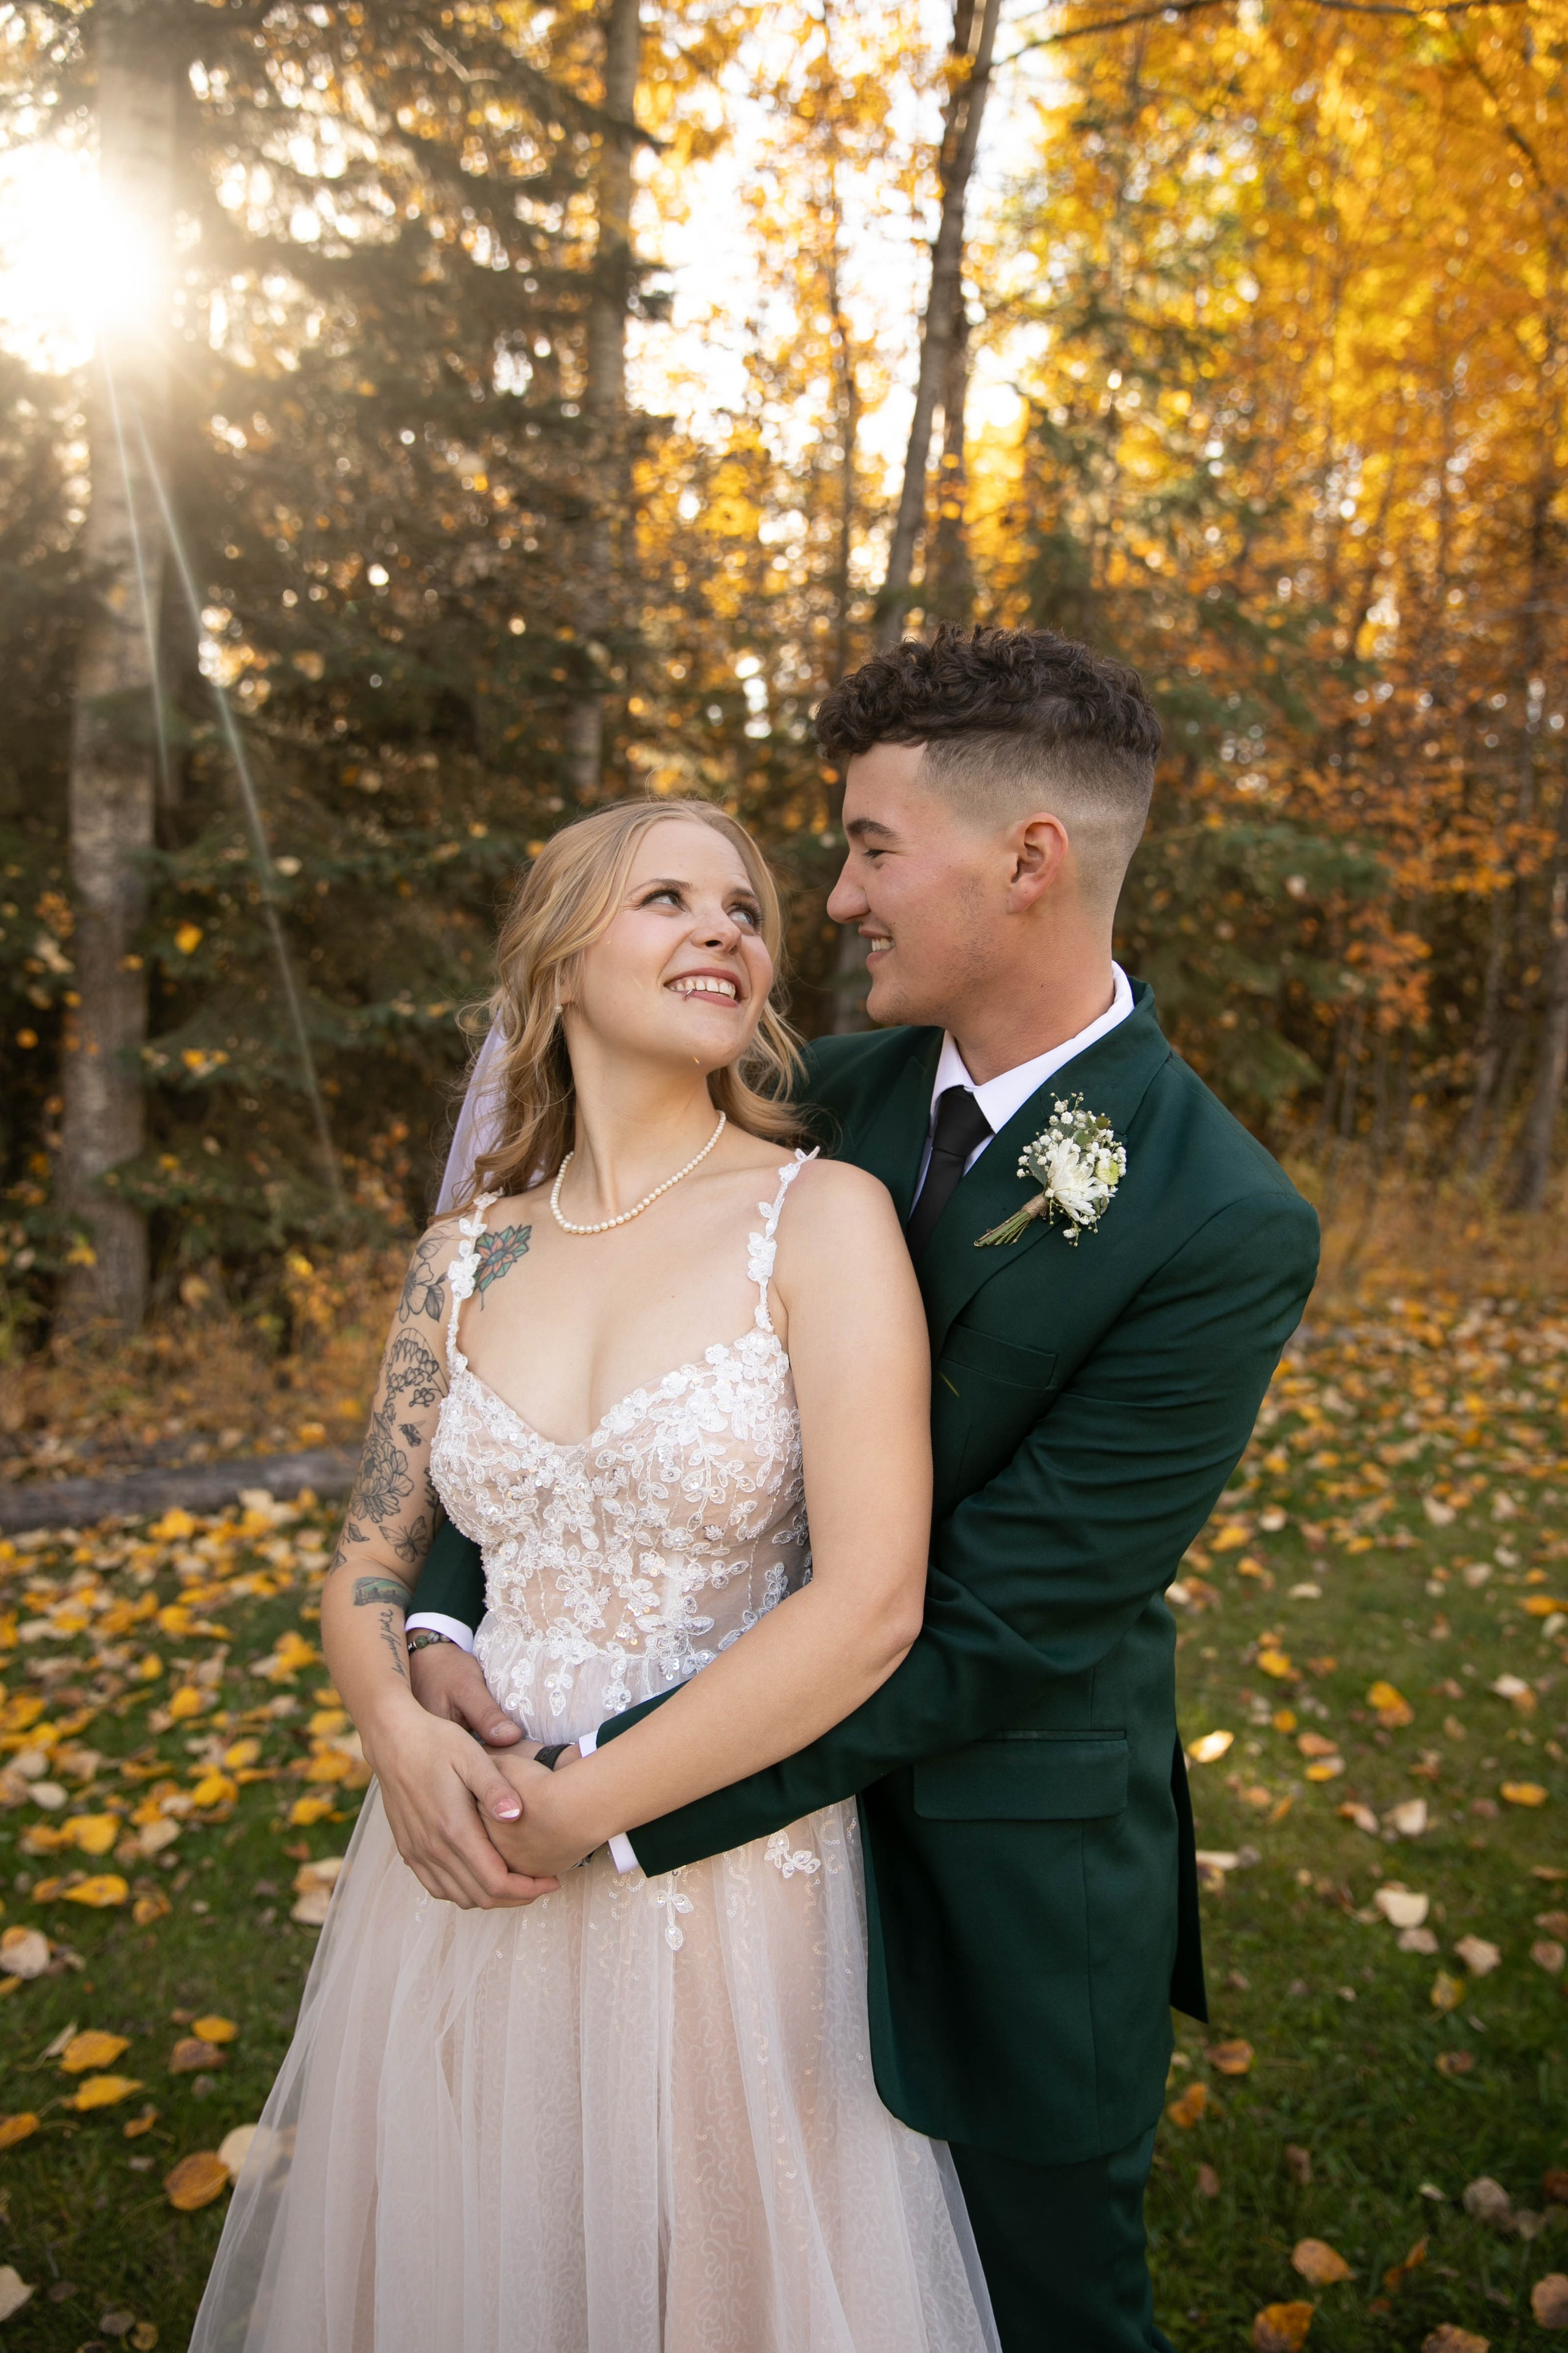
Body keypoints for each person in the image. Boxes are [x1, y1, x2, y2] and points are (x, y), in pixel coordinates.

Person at [406, 625, 1321, 2352]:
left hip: (989, 1854)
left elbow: (987, 1618)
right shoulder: (810, 1091)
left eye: (870, 845)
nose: (828, 899)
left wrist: (615, 1795)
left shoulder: (1218, 1218)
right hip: (693, 1889)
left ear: (1025, 860)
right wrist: (448, 1600)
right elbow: (548, 1355)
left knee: (1036, 2304)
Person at [188, 798, 999, 2353]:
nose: (728, 927)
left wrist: (583, 1805)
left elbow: (871, 1599)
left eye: (746, 907)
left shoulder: (818, 1218)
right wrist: (395, 1728)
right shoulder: (462, 1258)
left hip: (713, 1857)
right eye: (668, 898)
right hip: (459, 1849)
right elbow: (373, 1548)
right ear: (557, 966)